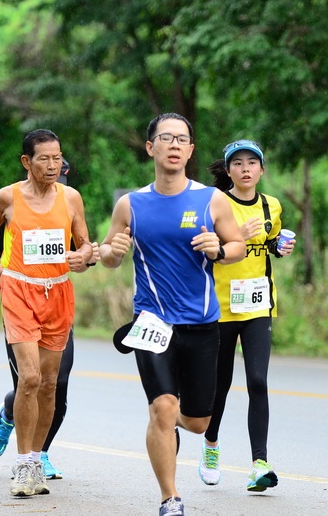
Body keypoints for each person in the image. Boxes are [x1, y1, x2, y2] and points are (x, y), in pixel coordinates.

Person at [99, 113, 246, 516]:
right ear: (151, 148)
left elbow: (237, 247)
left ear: (191, 150)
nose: (175, 145)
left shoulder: (211, 199)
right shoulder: (131, 204)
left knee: (197, 423)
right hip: (152, 322)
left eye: (182, 139)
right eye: (166, 138)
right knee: (162, 408)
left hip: (201, 324)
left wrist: (219, 249)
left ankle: (169, 425)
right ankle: (170, 497)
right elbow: (109, 254)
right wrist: (111, 253)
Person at [0, 129, 93, 497]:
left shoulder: (71, 198)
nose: (53, 165)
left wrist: (83, 257)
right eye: (44, 159)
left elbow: (85, 245)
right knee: (29, 378)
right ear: (27, 162)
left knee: (49, 383)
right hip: (19, 291)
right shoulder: (8, 197)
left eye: (57, 158)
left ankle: (38, 457)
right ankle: (24, 464)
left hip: (58, 293)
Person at [198, 140, 294, 492]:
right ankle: (211, 445)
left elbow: (270, 244)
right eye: (237, 163)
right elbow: (205, 250)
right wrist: (237, 236)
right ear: (228, 171)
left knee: (257, 380)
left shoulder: (272, 205)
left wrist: (280, 247)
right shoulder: (215, 204)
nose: (245, 169)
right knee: (220, 385)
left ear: (262, 170)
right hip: (221, 308)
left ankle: (259, 464)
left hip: (258, 305)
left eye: (252, 163)